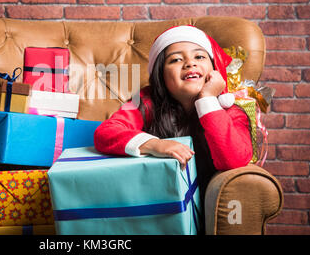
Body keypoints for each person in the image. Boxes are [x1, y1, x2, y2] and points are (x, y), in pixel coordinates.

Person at [94, 25, 253, 228]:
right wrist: (154, 144)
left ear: (214, 71)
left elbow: (234, 160)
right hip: (157, 209)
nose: (189, 63)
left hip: (207, 209)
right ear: (161, 75)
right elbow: (105, 133)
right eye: (176, 59)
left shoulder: (231, 111)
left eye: (200, 57)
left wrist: (207, 100)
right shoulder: (146, 103)